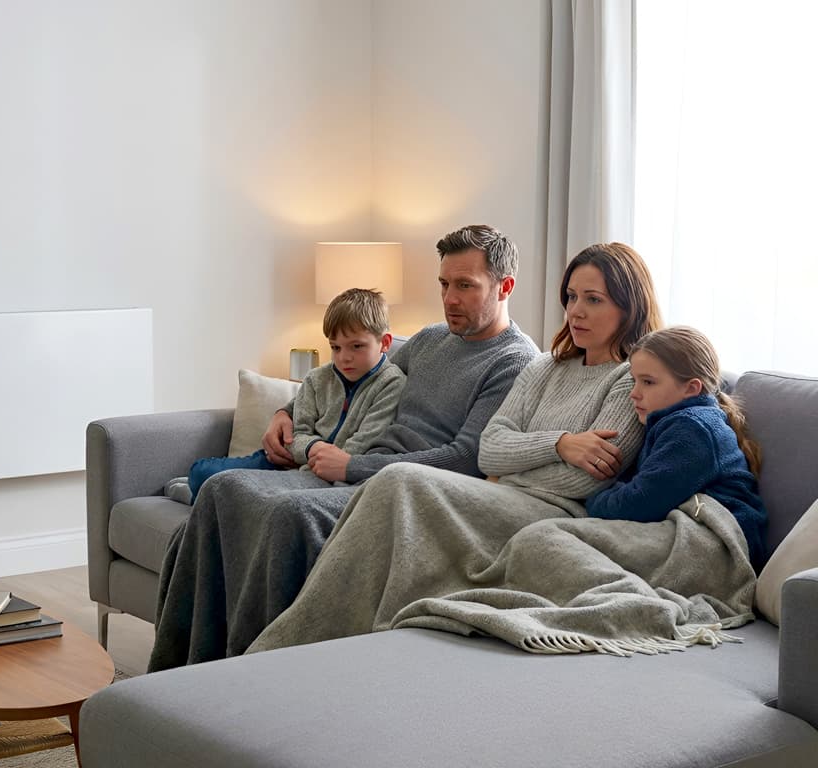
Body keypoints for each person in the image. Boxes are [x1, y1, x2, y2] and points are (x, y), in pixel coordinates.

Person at [147, 224, 539, 671]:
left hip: (402, 491)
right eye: (444, 284)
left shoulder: (513, 361)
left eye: (465, 286)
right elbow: (354, 374)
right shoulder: (432, 339)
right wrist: (287, 414)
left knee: (287, 515)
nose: (449, 298)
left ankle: (249, 672)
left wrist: (352, 466)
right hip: (359, 467)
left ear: (504, 286)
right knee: (223, 489)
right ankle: (181, 669)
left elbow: (466, 458)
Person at [248, 241, 664, 654]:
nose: (575, 310)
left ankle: (307, 645)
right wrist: (560, 443)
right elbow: (491, 450)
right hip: (498, 491)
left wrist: (530, 456)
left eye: (593, 299)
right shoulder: (547, 367)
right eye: (571, 296)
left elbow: (581, 480)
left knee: (400, 479)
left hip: (548, 510)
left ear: (628, 307)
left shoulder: (630, 380)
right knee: (379, 484)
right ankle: (296, 643)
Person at [181, 288, 406, 503]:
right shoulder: (317, 379)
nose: (344, 358)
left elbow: (365, 441)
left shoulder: (391, 383)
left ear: (385, 343)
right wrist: (311, 449)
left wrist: (321, 463)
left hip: (324, 473)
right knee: (201, 472)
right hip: (287, 463)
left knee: (237, 492)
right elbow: (297, 433)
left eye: (356, 346)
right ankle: (197, 493)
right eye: (336, 347)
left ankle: (198, 497)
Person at [585, 325, 767, 569]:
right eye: (634, 381)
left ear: (691, 388)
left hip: (719, 546)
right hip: (690, 535)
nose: (634, 394)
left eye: (648, 382)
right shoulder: (673, 421)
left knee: (552, 538)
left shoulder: (693, 429)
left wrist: (592, 500)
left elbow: (642, 501)